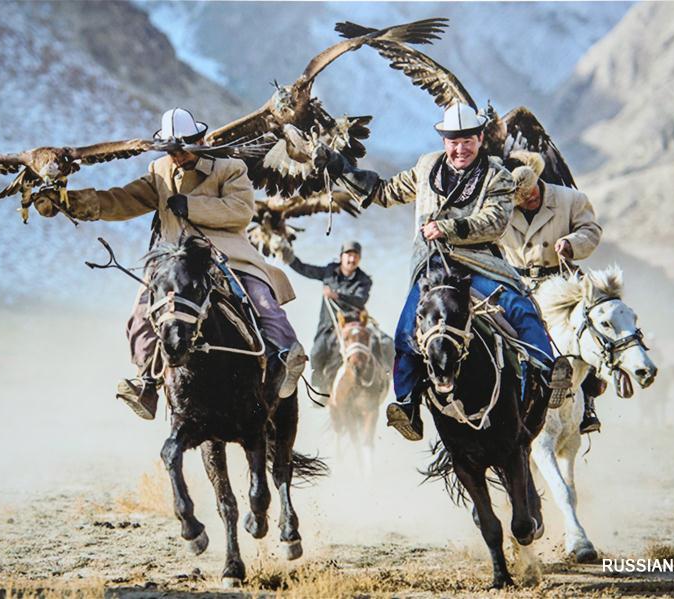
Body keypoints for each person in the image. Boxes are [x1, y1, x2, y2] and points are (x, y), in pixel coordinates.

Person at [316, 102, 572, 441]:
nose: (460, 147)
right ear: (444, 141)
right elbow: (386, 191)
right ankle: (406, 404)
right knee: (406, 332)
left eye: (467, 140)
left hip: (478, 263)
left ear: (480, 139)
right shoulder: (426, 167)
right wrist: (340, 167)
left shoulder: (497, 174)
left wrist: (448, 228)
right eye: (454, 140)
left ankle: (546, 372)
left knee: (519, 306)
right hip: (432, 269)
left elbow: (494, 221)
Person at [33, 108, 307, 419]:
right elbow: (122, 199)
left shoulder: (230, 168)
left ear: (199, 140)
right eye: (171, 151)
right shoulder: (159, 170)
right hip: (174, 264)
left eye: (181, 150)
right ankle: (147, 383)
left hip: (227, 257)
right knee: (140, 319)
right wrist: (68, 202)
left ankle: (285, 358)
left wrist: (191, 206)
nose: (176, 157)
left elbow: (240, 210)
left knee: (262, 302)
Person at [498, 151, 606, 433]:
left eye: (531, 191)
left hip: (560, 282)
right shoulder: (499, 208)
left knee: (589, 328)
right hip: (516, 285)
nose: (529, 199)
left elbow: (591, 230)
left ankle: (588, 403)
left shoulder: (571, 199)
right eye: (521, 198)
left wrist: (571, 243)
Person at [282, 241, 372, 392]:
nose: (352, 259)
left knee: (382, 344)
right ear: (341, 257)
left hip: (352, 326)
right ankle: (319, 389)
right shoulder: (329, 272)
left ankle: (375, 383)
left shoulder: (364, 280)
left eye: (355, 256)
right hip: (327, 326)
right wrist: (288, 256)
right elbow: (305, 269)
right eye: (348, 255)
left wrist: (335, 295)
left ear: (359, 259)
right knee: (316, 353)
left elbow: (360, 300)